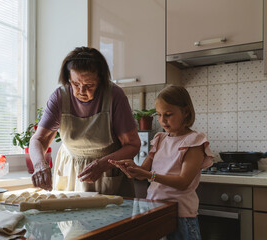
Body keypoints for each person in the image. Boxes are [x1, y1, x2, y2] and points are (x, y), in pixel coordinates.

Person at [29, 46, 140, 195]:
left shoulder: (114, 96)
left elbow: (132, 145)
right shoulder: (60, 97)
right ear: (69, 78)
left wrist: (102, 165)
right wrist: (39, 165)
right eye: (75, 84)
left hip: (107, 174)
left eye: (89, 85)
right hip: (69, 173)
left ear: (100, 81)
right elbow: (39, 140)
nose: (81, 91)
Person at [109, 85, 214, 240]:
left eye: (168, 114)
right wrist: (131, 168)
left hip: (181, 214)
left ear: (185, 112)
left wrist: (148, 175)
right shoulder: (160, 139)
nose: (162, 120)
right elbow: (142, 173)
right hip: (156, 211)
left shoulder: (194, 141)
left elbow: (183, 182)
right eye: (159, 115)